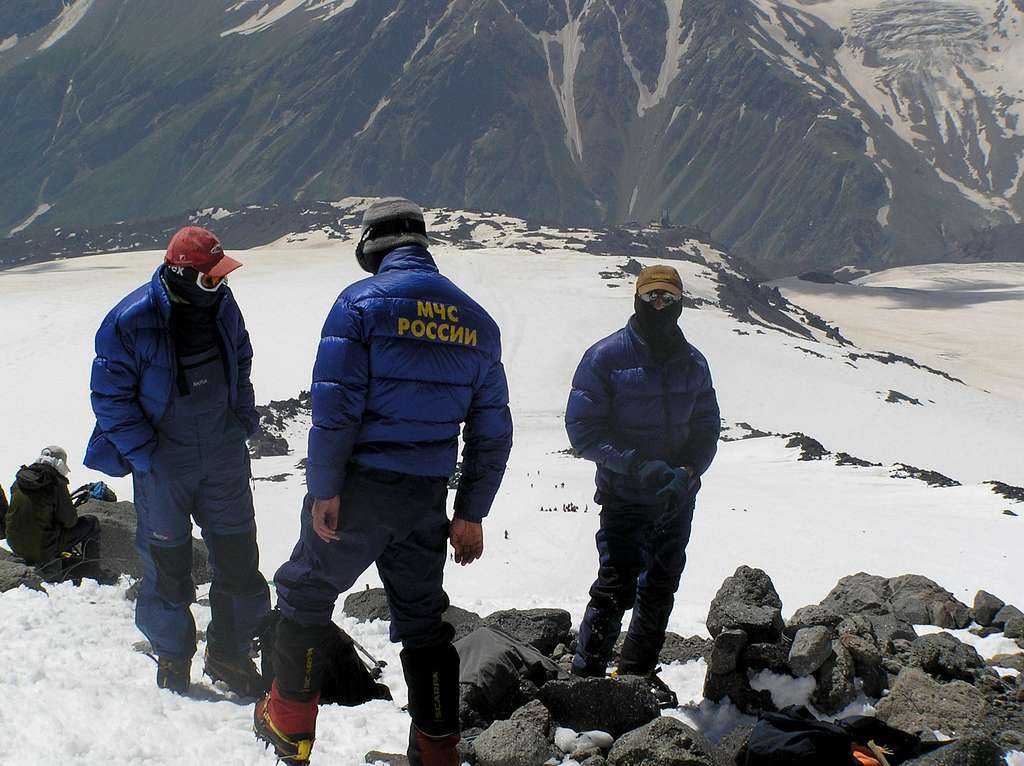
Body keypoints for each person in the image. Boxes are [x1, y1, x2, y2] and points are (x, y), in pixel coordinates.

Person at [255, 198, 513, 766]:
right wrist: (470, 512)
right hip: (425, 500)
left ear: (372, 245)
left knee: (307, 594)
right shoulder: (477, 322)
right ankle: (438, 750)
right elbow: (491, 433)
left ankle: (291, 722)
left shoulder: (358, 305)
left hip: (358, 491)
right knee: (424, 626)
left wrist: (325, 489)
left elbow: (336, 409)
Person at [84, 226, 271, 696]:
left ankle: (228, 652)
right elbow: (109, 398)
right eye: (212, 277)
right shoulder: (131, 320)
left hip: (222, 453)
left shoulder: (222, 305)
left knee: (238, 559)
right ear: (183, 274)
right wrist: (147, 454)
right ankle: (172, 654)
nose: (221, 284)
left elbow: (241, 358)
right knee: (167, 565)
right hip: (165, 462)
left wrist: (241, 420)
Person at [565, 265, 720, 681]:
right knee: (614, 588)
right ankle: (586, 679)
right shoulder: (606, 357)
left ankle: (636, 674)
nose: (658, 305)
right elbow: (583, 431)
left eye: (667, 298)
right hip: (625, 496)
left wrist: (688, 471)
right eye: (651, 296)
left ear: (680, 303)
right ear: (636, 299)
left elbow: (707, 426)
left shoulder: (693, 363)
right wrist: (638, 465)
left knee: (660, 586)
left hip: (676, 496)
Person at [5, 446, 101, 575]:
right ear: (60, 464)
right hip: (41, 548)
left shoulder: (19, 480)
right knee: (91, 523)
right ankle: (91, 572)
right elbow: (70, 522)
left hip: (15, 544)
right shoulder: (55, 483)